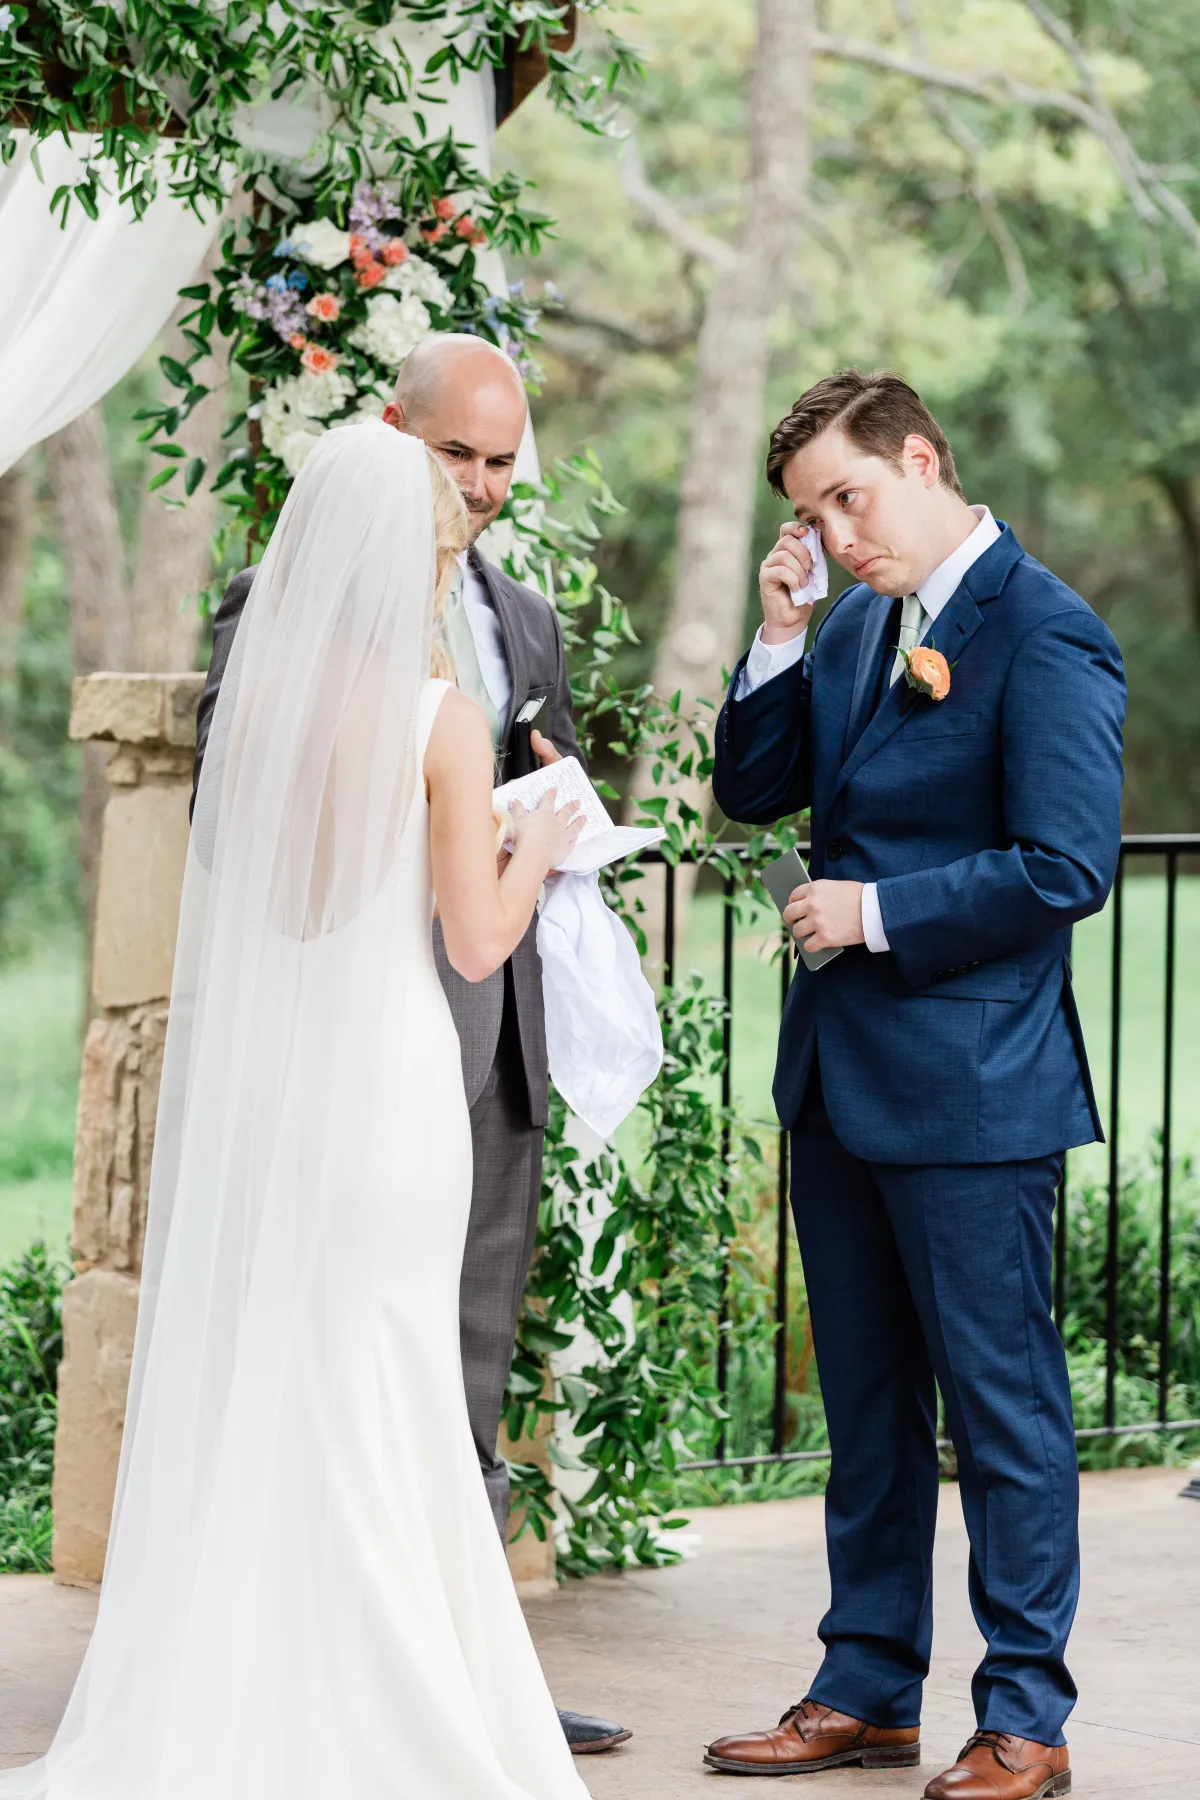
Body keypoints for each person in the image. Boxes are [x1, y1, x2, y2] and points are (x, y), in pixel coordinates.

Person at [0, 422, 592, 1800]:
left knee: (290, 1373)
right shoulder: (438, 720)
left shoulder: (260, 710)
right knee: (385, 1377)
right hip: (390, 1088)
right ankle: (394, 1701)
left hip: (291, 1092)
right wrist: (539, 845)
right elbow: (473, 940)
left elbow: (289, 906)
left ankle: (252, 1688)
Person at [192, 335, 629, 1757]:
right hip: (380, 1041)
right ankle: (376, 1681)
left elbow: (527, 766)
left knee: (459, 1364)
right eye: (463, 460)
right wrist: (522, 836)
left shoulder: (524, 620)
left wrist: (529, 803)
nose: (489, 490)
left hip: (478, 1057)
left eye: (508, 462)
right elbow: (245, 823)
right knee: (348, 1366)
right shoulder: (282, 618)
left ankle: (460, 1651)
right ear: (399, 439)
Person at [706, 370, 1125, 1800]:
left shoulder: (1048, 632)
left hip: (974, 1096)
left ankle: (1026, 1717)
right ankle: (867, 1685)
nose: (836, 531)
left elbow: (1068, 866)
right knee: (870, 1410)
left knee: (1003, 1415)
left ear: (926, 459)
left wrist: (873, 914)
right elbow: (755, 791)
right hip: (839, 1081)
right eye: (814, 513)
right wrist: (776, 633)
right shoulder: (848, 630)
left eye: (849, 498)